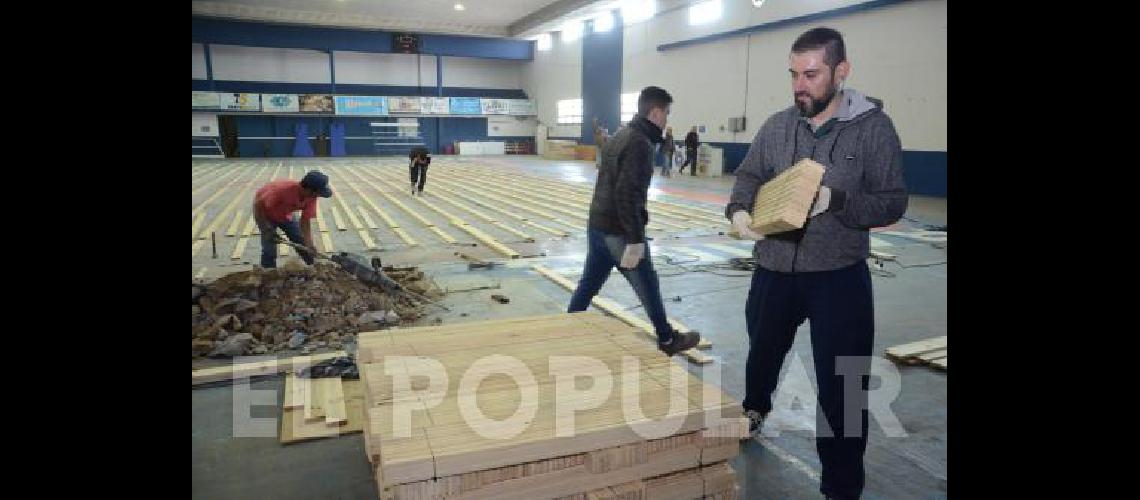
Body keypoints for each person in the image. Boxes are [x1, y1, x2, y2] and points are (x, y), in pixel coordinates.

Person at [725, 27, 908, 500]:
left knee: (843, 388)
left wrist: (839, 200)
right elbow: (748, 175)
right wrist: (740, 210)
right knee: (762, 351)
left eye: (811, 74)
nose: (799, 85)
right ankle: (754, 407)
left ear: (841, 72)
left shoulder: (873, 130)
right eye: (793, 74)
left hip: (838, 277)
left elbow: (892, 202)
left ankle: (841, 486)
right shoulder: (777, 126)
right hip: (774, 269)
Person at [567, 86, 701, 356]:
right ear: (654, 112)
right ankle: (667, 339)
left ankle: (566, 325)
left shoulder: (622, 134)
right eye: (666, 113)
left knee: (589, 283)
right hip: (618, 231)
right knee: (647, 283)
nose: (666, 119)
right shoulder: (640, 142)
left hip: (598, 224)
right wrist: (636, 239)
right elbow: (627, 193)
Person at [252, 170, 334, 269]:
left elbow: (305, 220)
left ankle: (314, 267)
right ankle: (268, 272)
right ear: (308, 189)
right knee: (269, 247)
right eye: (317, 193)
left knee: (300, 240)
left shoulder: (311, 197)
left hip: (285, 214)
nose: (317, 196)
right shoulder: (281, 190)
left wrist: (309, 244)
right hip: (266, 215)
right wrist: (266, 228)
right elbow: (258, 206)